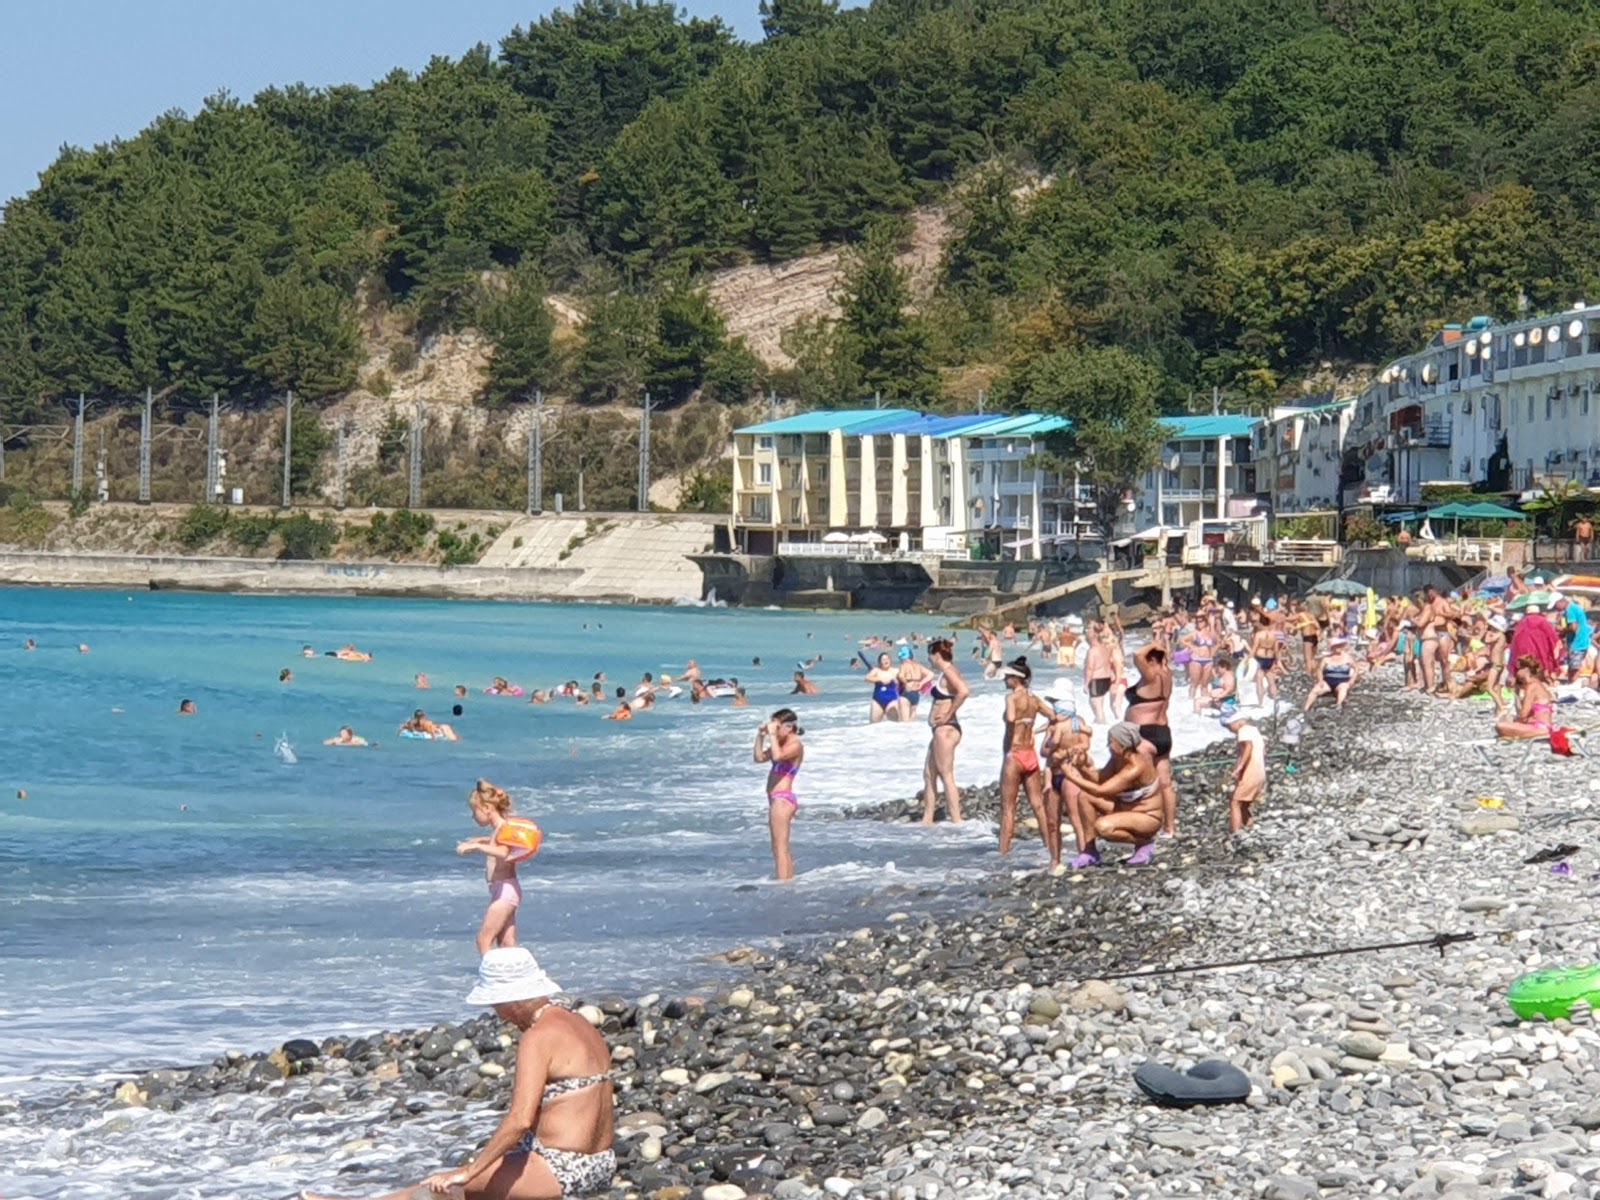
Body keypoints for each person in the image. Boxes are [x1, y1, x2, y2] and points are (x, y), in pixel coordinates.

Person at [305, 947, 615, 1200]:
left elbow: (519, 1120)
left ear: (511, 998)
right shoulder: (579, 1025)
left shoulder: (539, 1036)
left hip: (561, 1170)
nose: (498, 1013)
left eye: (497, 1003)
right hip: (599, 1163)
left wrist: (470, 1172)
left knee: (439, 1191)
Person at [1060, 721, 1162, 867]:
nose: (1108, 746)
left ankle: (1144, 842)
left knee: (1102, 827)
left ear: (1123, 744)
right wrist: (1081, 767)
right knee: (1084, 796)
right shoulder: (1117, 759)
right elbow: (1100, 779)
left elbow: (1103, 790)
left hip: (1147, 816)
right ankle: (1089, 851)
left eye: (1111, 742)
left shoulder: (1135, 767)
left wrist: (1071, 776)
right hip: (1125, 808)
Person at [997, 657, 1058, 870]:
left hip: (1014, 755)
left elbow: (1011, 719)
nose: (1004, 679)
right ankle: (1050, 848)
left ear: (1016, 679)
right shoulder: (1035, 699)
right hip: (1030, 754)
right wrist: (1034, 727)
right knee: (1038, 805)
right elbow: (1053, 716)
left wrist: (1018, 719)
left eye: (1007, 676)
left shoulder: (1011, 698)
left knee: (1008, 809)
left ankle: (1002, 855)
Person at [456, 780, 527, 954]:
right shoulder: (500, 828)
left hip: (505, 891)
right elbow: (498, 842)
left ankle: (491, 978)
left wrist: (477, 847)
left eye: (475, 811)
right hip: (504, 889)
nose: (473, 816)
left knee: (483, 940)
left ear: (487, 808)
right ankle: (516, 977)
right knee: (506, 942)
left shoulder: (504, 828)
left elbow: (503, 852)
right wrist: (481, 840)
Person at [1125, 642, 1177, 838]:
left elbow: (1138, 654)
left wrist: (1157, 645)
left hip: (1144, 734)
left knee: (1143, 783)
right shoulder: (1167, 675)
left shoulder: (1152, 676)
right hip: (1163, 732)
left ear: (1152, 660)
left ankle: (1145, 825)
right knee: (1165, 783)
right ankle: (1170, 828)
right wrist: (1163, 653)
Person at [920, 638, 969, 825]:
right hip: (940, 730)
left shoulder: (949, 672)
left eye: (930, 655)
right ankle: (927, 818)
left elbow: (964, 691)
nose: (929, 659)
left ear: (936, 655)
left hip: (946, 730)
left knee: (946, 774)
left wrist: (948, 714)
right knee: (928, 773)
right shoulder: (945, 672)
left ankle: (957, 820)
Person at [754, 708, 804, 881]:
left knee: (780, 847)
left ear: (789, 727)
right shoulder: (780, 743)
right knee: (779, 848)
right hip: (775, 799)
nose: (774, 730)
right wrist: (760, 735)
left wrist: (773, 735)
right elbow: (759, 758)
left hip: (783, 799)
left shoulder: (795, 745)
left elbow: (779, 756)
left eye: (778, 726)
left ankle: (782, 886)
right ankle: (788, 881)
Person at [1224, 710, 1266, 832]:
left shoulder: (1243, 730)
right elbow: (1263, 751)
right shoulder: (1255, 731)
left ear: (1237, 722)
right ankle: (1250, 828)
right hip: (1260, 772)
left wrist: (1240, 766)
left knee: (1235, 802)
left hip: (1251, 772)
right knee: (1244, 804)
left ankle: (1236, 832)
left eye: (1229, 726)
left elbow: (1248, 746)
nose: (1230, 729)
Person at [1496, 655, 1557, 740]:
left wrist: (1515, 721)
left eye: (1519, 669)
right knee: (1507, 725)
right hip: (1541, 725)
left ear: (1526, 670)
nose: (1517, 672)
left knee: (1501, 726)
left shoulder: (1532, 686)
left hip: (1540, 728)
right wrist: (1516, 690)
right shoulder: (1538, 684)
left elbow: (1523, 715)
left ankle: (1517, 736)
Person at [1303, 636, 1356, 711]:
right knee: (1314, 691)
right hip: (1328, 682)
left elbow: (1356, 668)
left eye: (1340, 645)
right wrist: (1320, 680)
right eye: (1337, 646)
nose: (1339, 647)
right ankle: (1306, 708)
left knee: (1343, 689)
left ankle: (1338, 705)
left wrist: (1352, 680)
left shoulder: (1347, 658)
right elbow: (1319, 670)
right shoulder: (1326, 659)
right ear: (1332, 647)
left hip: (1342, 681)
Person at [1509, 604, 1563, 679]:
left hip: (1524, 650)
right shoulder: (1542, 620)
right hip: (1540, 649)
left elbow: (1516, 637)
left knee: (1526, 667)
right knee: (1540, 667)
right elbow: (1551, 635)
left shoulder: (1522, 622)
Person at [1083, 631, 1116, 724]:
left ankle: (1102, 723)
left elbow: (1090, 667)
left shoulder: (1092, 651)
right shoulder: (1105, 648)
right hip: (1107, 678)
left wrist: (1086, 683)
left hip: (1096, 679)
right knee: (1097, 702)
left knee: (1096, 703)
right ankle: (1099, 720)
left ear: (1091, 640)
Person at [895, 645, 933, 721]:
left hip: (906, 692)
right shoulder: (918, 665)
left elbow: (901, 676)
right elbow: (931, 674)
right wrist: (921, 683)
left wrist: (905, 683)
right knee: (912, 719)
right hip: (916, 693)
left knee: (904, 721)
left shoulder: (904, 665)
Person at [865, 652, 901, 723]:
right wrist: (879, 679)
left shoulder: (895, 671)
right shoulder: (876, 670)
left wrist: (897, 681)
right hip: (877, 701)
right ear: (880, 661)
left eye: (887, 659)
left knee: (894, 723)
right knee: (874, 724)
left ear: (890, 660)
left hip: (892, 700)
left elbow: (904, 679)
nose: (885, 661)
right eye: (883, 659)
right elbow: (867, 678)